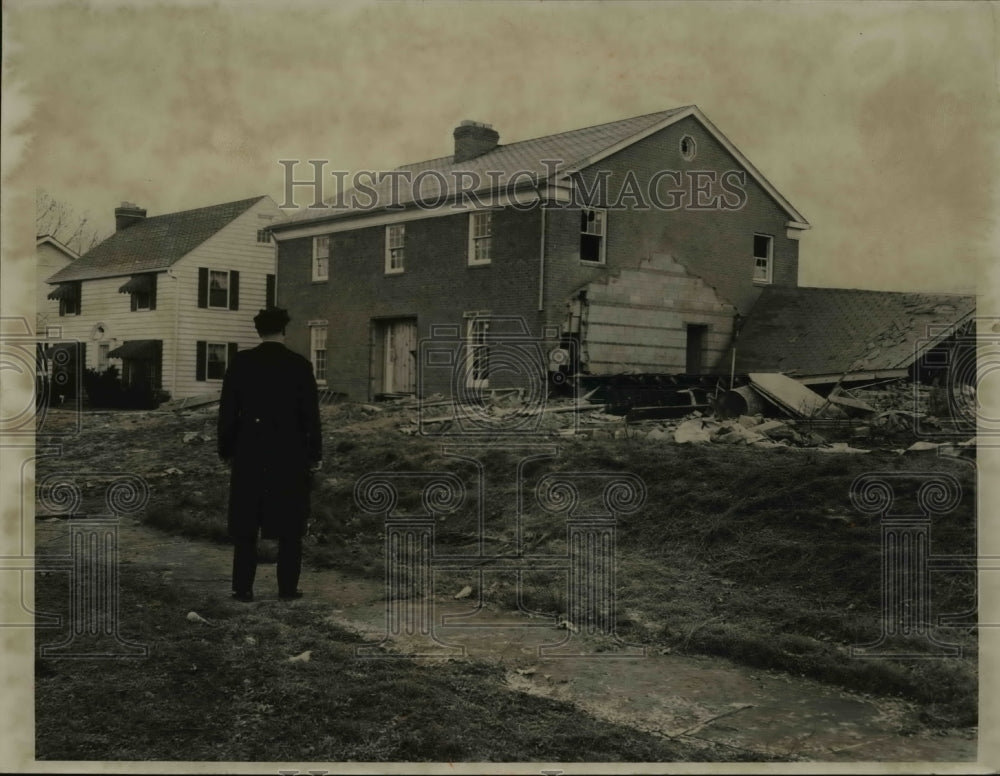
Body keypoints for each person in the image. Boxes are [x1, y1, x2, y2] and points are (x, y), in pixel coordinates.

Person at [217, 307, 322, 602]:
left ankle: (242, 588)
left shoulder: (241, 363)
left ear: (258, 331)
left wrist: (226, 449)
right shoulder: (300, 366)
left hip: (249, 451)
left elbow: (227, 413)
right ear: (284, 330)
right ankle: (287, 589)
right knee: (290, 526)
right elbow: (311, 416)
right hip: (291, 454)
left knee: (246, 525)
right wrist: (315, 453)